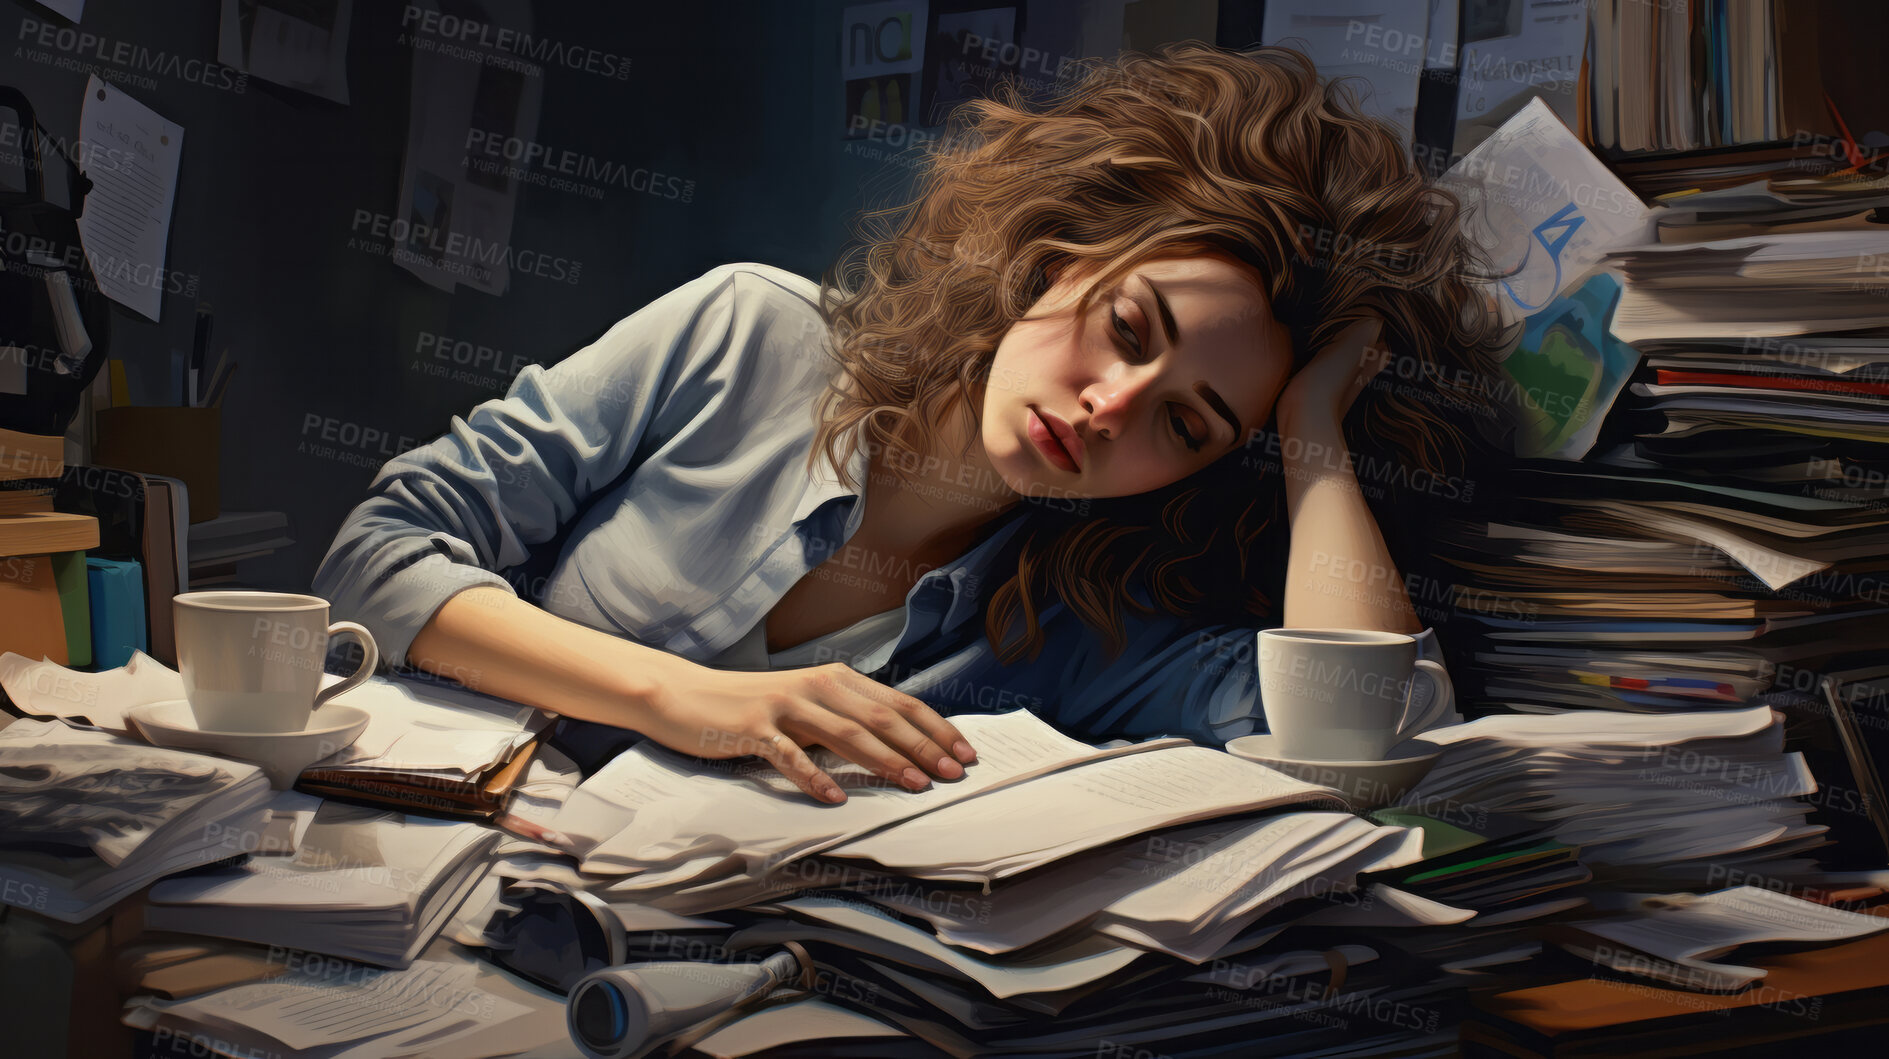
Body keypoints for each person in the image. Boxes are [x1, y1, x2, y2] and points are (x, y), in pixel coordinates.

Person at [311, 43, 1508, 804]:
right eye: (1130, 329)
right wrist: (683, 698)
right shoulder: (743, 334)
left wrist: (1312, 436)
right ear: (1057, 257)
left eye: (1187, 426)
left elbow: (1377, 741)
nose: (1110, 411)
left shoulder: (1077, 626)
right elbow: (375, 559)